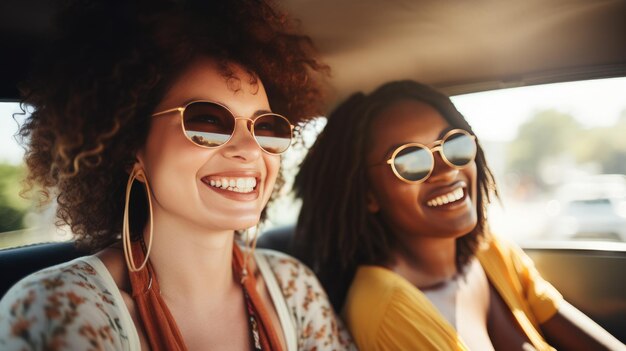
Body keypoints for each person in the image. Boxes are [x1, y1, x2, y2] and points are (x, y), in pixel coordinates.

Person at [0, 1, 355, 350]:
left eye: (267, 127)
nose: (250, 148)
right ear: (129, 148)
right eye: (207, 121)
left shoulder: (295, 289)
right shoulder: (61, 312)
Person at [293, 80, 624, 350]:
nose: (446, 169)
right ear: (369, 195)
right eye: (409, 161)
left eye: (453, 145)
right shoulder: (387, 309)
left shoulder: (491, 250)